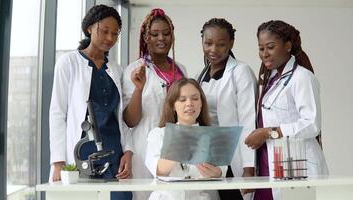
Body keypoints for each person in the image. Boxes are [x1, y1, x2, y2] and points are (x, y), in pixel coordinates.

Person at [49, 5, 133, 200]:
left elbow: (120, 117)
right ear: (89, 28)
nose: (110, 38)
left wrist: (128, 151)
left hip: (114, 155)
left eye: (115, 34)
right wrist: (58, 162)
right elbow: (57, 113)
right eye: (104, 31)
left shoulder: (117, 70)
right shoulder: (68, 62)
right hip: (81, 155)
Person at [244, 20, 329, 200]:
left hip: (297, 166)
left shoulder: (302, 78)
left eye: (270, 47)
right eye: (261, 48)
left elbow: (311, 124)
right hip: (269, 163)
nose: (264, 54)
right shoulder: (271, 79)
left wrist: (269, 132)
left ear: (288, 45)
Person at [122, 8, 186, 200]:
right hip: (145, 148)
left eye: (167, 34)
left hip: (177, 147)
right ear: (146, 38)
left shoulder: (181, 69)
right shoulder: (134, 70)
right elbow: (130, 120)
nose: (162, 38)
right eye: (155, 34)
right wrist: (138, 89)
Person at [197, 18, 257, 200]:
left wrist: (248, 168)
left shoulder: (241, 72)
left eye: (221, 44)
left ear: (231, 43)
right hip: (210, 159)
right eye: (208, 43)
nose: (213, 50)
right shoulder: (200, 75)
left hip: (234, 157)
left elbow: (248, 120)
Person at [145, 78, 227, 200]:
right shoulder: (158, 134)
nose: (189, 103)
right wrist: (182, 142)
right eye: (182, 99)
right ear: (173, 105)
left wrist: (216, 173)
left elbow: (221, 172)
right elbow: (159, 171)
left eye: (195, 99)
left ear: (201, 103)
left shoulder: (212, 137)